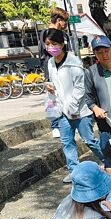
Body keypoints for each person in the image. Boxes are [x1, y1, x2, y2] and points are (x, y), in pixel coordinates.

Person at [45, 29, 103, 184]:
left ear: (62, 44)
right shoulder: (50, 63)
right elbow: (56, 83)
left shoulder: (74, 63)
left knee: (89, 139)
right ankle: (74, 171)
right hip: (63, 111)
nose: (51, 47)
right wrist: (50, 87)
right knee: (67, 142)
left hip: (81, 111)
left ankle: (108, 161)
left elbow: (80, 87)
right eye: (48, 44)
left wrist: (72, 106)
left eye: (54, 43)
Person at [38, 7, 71, 138]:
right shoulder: (45, 34)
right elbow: (43, 55)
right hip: (51, 71)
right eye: (65, 22)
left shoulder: (64, 35)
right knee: (53, 99)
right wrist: (46, 75)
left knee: (66, 95)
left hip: (65, 70)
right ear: (59, 20)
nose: (65, 25)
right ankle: (55, 125)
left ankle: (66, 120)